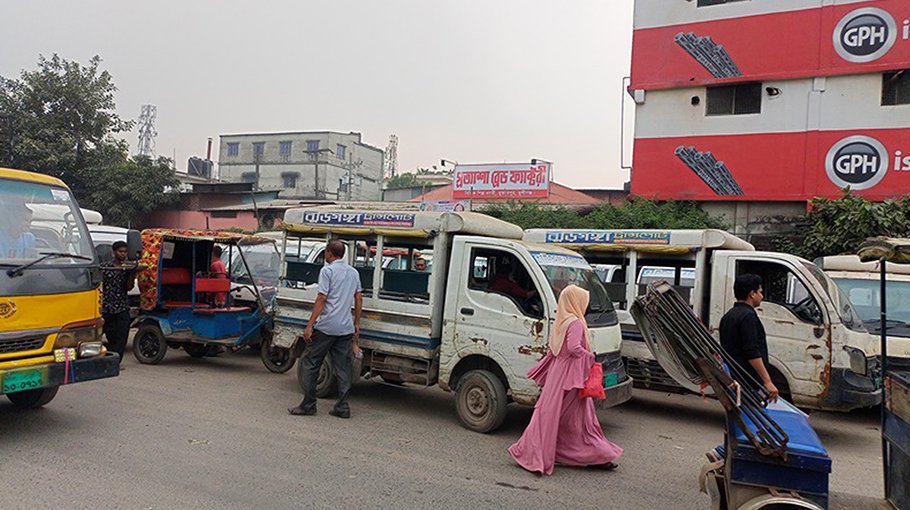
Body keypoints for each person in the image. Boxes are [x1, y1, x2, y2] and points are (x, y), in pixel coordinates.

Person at [508, 285, 623, 475]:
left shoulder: (562, 321)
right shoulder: (576, 323)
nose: (585, 306)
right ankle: (596, 456)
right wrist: (590, 356)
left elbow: (556, 350)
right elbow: (573, 348)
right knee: (580, 418)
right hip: (571, 377)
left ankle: (530, 451)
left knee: (549, 415)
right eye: (583, 301)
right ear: (575, 301)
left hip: (558, 375)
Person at [289, 239, 362, 419]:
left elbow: (322, 298)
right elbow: (359, 298)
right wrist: (356, 323)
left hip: (327, 326)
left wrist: (309, 324)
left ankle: (308, 404)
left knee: (311, 362)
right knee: (343, 368)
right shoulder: (353, 272)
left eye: (326, 253)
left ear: (329, 253)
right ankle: (342, 407)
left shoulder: (327, 271)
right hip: (345, 328)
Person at [719, 273, 779, 402]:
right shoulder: (748, 317)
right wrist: (767, 381)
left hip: (735, 379)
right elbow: (752, 353)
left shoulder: (728, 316)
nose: (762, 296)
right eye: (760, 292)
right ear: (752, 294)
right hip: (748, 382)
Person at [101, 241, 136, 365]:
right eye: (121, 251)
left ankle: (117, 362)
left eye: (125, 252)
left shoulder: (127, 268)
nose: (123, 254)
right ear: (114, 252)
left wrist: (132, 273)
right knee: (110, 334)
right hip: (107, 307)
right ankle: (109, 358)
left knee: (122, 335)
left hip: (122, 306)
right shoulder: (105, 267)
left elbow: (129, 287)